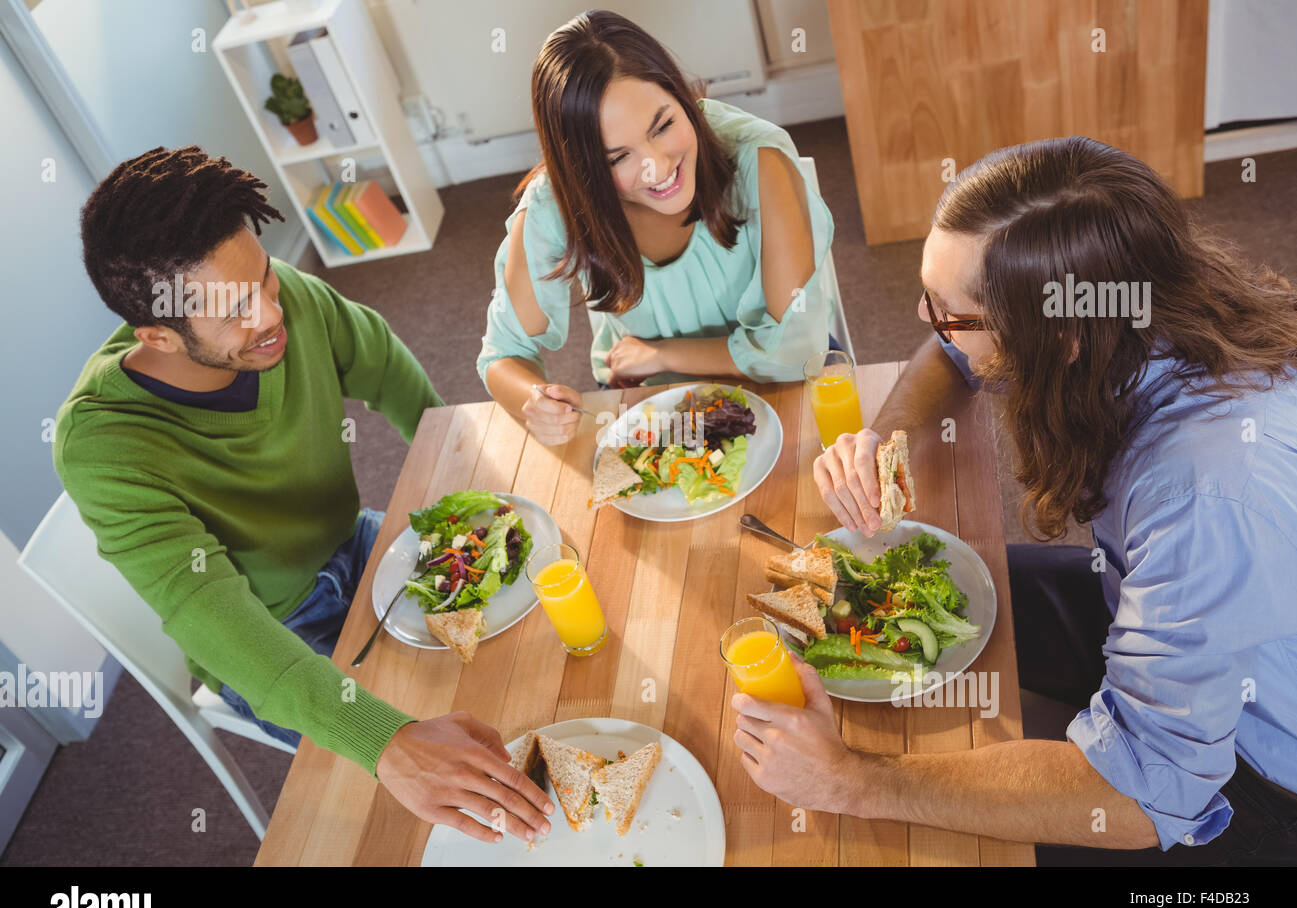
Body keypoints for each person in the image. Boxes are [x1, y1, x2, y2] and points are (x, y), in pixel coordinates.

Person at [730, 136, 1297, 864]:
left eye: (952, 315)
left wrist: (852, 781)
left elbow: (1141, 799)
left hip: (1252, 773)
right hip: (1156, 603)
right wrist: (885, 439)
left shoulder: (1203, 499)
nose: (930, 324)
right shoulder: (1130, 309)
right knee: (920, 594)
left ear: (1055, 339)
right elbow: (953, 353)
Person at [59, 146, 551, 844]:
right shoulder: (103, 445)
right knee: (427, 803)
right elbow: (214, 619)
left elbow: (384, 366)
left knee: (525, 638)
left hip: (355, 544)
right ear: (157, 335)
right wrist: (385, 743)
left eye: (263, 278)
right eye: (234, 310)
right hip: (269, 632)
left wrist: (469, 485)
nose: (269, 314)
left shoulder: (281, 298)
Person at [478, 9, 837, 446]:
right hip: (650, 395)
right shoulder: (557, 204)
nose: (656, 167)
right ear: (582, 172)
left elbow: (797, 353)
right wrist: (534, 399)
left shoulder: (757, 161)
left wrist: (661, 353)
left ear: (681, 95)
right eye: (617, 158)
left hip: (776, 379)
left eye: (663, 125)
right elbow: (504, 356)